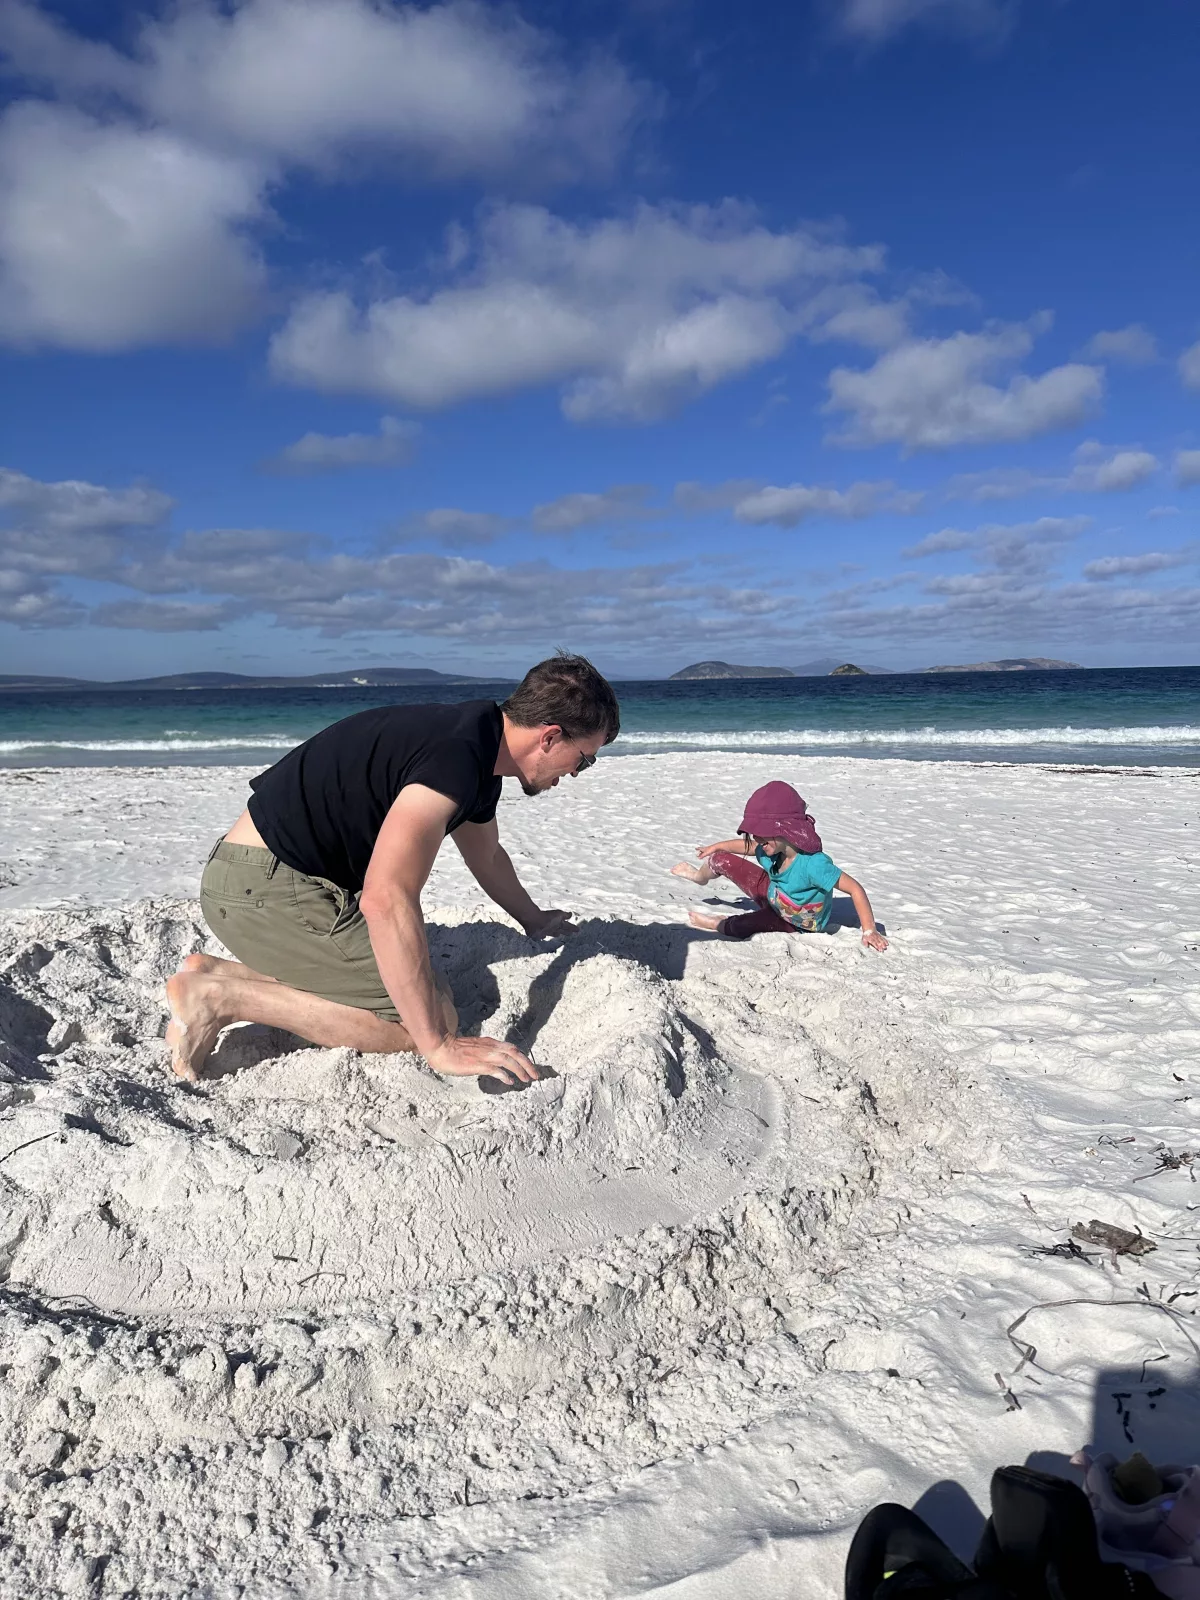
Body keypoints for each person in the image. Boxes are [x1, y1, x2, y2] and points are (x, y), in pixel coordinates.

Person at [165, 653, 620, 1087]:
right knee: (425, 1022)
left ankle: (217, 973)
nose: (579, 772)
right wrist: (439, 1045)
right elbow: (385, 897)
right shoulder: (457, 759)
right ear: (550, 736)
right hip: (265, 889)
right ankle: (218, 998)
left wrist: (533, 918)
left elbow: (488, 857)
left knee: (419, 996)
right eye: (585, 758)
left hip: (268, 880)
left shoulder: (477, 744)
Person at [669, 779, 888, 950]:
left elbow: (855, 889)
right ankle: (699, 877)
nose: (759, 842)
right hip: (773, 893)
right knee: (720, 858)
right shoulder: (771, 848)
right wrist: (717, 847)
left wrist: (869, 930)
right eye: (757, 837)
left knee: (742, 926)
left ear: (787, 831)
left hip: (795, 921)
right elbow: (745, 847)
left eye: (763, 837)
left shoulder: (813, 865)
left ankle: (717, 923)